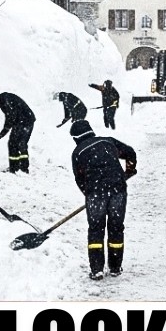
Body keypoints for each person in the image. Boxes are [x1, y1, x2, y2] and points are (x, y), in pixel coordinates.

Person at [70, 120, 137, 280]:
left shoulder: (78, 152)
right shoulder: (108, 141)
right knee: (116, 227)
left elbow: (79, 178)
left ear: (75, 138)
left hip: (95, 193)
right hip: (118, 188)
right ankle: (115, 268)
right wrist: (129, 169)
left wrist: (90, 194)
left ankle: (97, 270)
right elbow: (130, 153)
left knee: (95, 230)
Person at [0, 90, 36, 173]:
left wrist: (5, 129)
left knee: (20, 143)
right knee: (13, 143)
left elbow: (11, 116)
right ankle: (15, 167)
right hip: (20, 122)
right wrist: (5, 129)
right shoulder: (4, 100)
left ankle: (23, 168)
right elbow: (10, 116)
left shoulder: (5, 101)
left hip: (26, 121)